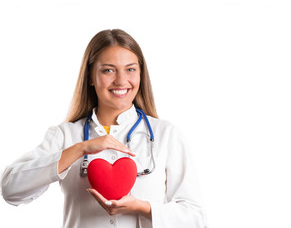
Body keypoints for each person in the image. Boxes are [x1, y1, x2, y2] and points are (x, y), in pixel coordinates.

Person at [1, 29, 207, 227]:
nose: (121, 80)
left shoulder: (166, 134)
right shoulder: (65, 135)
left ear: (140, 75)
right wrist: (79, 149)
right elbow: (10, 189)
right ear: (90, 76)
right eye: (108, 70)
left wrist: (144, 208)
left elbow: (196, 218)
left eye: (130, 69)